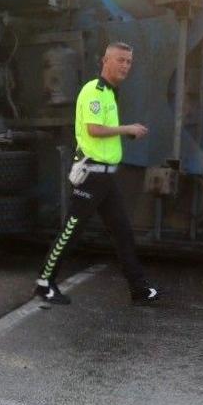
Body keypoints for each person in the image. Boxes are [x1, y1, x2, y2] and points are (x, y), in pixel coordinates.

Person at [34, 42, 162, 306]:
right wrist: (127, 130)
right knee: (71, 230)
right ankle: (44, 284)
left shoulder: (110, 93)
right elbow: (93, 129)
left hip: (105, 177)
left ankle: (138, 289)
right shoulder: (95, 90)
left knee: (123, 233)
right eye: (120, 60)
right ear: (105, 60)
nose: (125, 65)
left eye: (128, 61)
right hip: (92, 174)